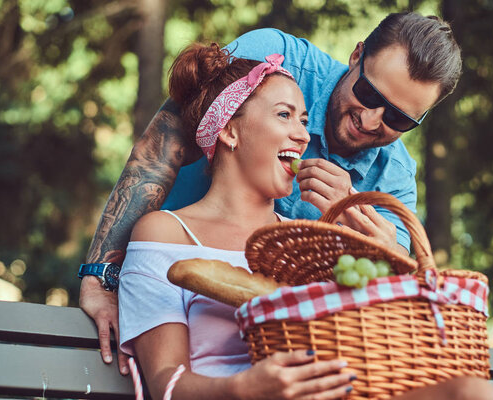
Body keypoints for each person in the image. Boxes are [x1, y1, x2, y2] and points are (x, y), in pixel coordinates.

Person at [80, 12, 463, 374]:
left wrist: (373, 243)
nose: (370, 119)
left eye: (398, 118)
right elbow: (163, 148)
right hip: (164, 297)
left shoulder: (393, 179)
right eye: (368, 92)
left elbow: (385, 306)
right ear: (357, 54)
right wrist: (101, 277)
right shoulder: (276, 61)